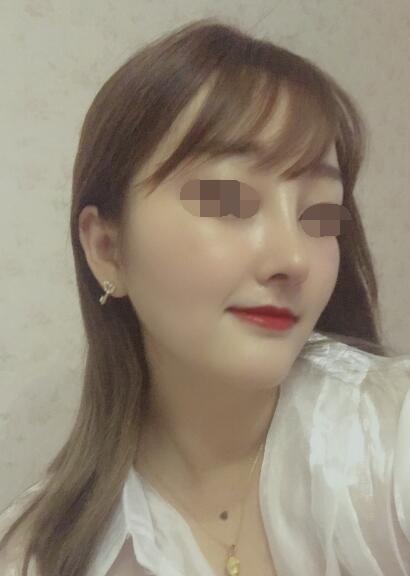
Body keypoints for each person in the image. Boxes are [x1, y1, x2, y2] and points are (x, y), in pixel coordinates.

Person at [1, 17, 409, 576]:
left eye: (321, 215)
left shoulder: (386, 439)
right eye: (229, 202)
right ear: (107, 249)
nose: (293, 258)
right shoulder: (41, 557)